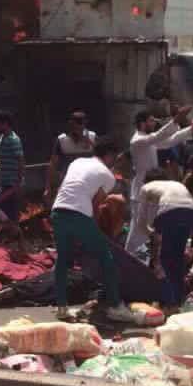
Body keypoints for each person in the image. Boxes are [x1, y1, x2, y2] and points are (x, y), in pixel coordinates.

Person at [51, 137, 138, 321]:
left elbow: (68, 186)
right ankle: (115, 305)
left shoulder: (77, 162)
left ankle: (61, 307)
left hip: (58, 211)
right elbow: (96, 204)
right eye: (114, 157)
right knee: (106, 258)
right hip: (79, 214)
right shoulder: (107, 175)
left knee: (63, 259)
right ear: (109, 155)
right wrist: (95, 231)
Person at [125, 106, 193, 252]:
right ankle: (131, 256)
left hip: (153, 187)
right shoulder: (137, 140)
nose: (154, 123)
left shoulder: (148, 141)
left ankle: (142, 257)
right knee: (139, 227)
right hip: (141, 190)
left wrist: (191, 128)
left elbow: (169, 141)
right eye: (151, 121)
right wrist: (177, 119)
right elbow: (158, 136)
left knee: (149, 226)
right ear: (142, 123)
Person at [137, 169, 193, 307]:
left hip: (170, 213)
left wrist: (152, 235)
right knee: (177, 259)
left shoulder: (145, 188)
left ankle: (168, 301)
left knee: (163, 261)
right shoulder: (175, 184)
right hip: (191, 212)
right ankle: (177, 300)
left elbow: (140, 222)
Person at [0, 110, 26, 245]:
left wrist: (19, 182)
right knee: (6, 211)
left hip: (13, 183)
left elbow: (20, 160)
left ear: (5, 124)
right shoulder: (2, 138)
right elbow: (6, 158)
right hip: (5, 182)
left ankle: (14, 233)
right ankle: (14, 241)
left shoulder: (13, 140)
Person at [45, 111, 96, 204]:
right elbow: (53, 164)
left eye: (81, 127)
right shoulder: (62, 140)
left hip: (89, 183)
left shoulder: (92, 138)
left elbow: (102, 159)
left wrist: (90, 143)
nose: (79, 130)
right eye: (76, 127)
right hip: (68, 183)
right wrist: (48, 187)